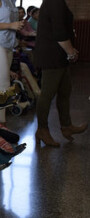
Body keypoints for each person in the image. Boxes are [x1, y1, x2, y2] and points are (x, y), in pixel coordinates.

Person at [34, 0, 87, 146]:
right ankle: (42, 130)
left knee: (65, 91)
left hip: (59, 55)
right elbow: (59, 32)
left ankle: (67, 126)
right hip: (52, 55)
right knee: (47, 93)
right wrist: (70, 52)